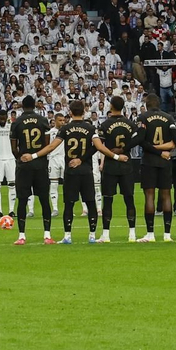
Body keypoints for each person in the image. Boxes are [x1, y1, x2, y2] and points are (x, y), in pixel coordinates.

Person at [9, 95, 59, 246]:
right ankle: (47, 235)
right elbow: (47, 144)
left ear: (22, 106)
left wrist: (21, 158)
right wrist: (37, 156)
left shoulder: (16, 122)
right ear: (35, 106)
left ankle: (22, 236)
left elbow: (13, 147)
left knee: (22, 200)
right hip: (40, 165)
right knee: (44, 199)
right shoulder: (42, 120)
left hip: (24, 166)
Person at [94, 96, 139, 243]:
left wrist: (113, 154)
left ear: (111, 106)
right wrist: (124, 149)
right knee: (129, 199)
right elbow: (137, 139)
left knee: (108, 200)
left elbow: (99, 145)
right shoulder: (130, 124)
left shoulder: (105, 124)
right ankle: (132, 233)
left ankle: (106, 234)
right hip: (126, 162)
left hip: (111, 165)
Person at [56, 100, 100, 244]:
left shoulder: (65, 128)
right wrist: (82, 158)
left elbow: (53, 146)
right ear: (84, 112)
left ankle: (67, 236)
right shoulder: (90, 128)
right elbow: (97, 146)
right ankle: (92, 235)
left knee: (69, 204)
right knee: (91, 202)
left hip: (71, 171)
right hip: (86, 171)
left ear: (70, 112)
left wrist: (35, 155)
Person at [136, 94, 176, 242]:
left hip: (149, 160)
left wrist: (155, 150)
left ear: (147, 104)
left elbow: (140, 140)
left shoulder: (143, 117)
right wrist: (163, 151)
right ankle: (167, 234)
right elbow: (175, 141)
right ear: (159, 104)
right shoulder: (169, 118)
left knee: (149, 196)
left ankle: (150, 234)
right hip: (165, 160)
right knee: (166, 195)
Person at [0, 109, 17, 217]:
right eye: (0, 117)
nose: (2, 119)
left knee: (12, 184)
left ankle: (11, 210)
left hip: (10, 159)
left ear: (6, 117)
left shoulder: (12, 127)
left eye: (4, 117)